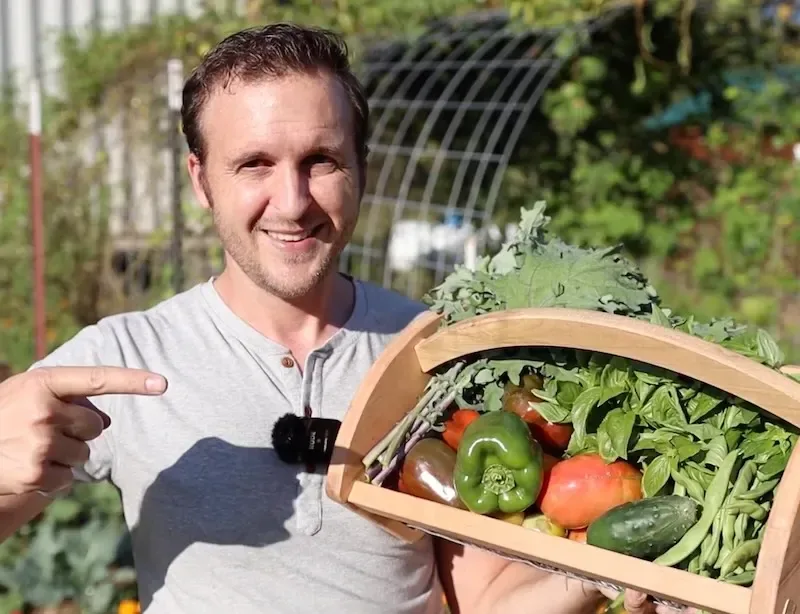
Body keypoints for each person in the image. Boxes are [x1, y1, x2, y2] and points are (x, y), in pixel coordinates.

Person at [0, 23, 693, 614]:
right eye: (254, 164)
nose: (292, 200)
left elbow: (483, 594)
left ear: (360, 166)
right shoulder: (125, 360)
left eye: (320, 160)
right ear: (199, 178)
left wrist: (602, 572)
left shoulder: (436, 355)